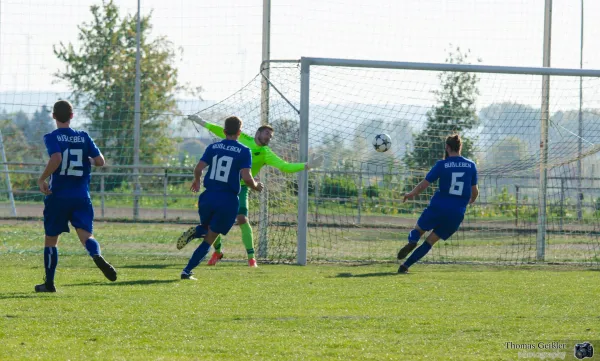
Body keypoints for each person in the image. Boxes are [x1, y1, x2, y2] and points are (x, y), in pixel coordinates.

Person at [178, 114, 323, 267]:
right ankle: (217, 251)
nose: (269, 138)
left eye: (271, 136)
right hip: (224, 185)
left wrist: (307, 165)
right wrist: (201, 121)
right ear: (258, 133)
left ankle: (251, 257)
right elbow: (221, 131)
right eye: (267, 133)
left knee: (242, 219)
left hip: (242, 188)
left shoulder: (266, 153)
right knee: (214, 221)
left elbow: (285, 166)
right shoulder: (243, 139)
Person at [35, 100, 117, 292]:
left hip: (59, 196)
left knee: (51, 239)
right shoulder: (84, 136)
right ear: (72, 116)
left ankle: (49, 283)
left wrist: (42, 179)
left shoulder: (52, 136)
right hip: (81, 196)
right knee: (86, 235)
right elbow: (100, 161)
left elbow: (56, 158)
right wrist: (86, 159)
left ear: (53, 116)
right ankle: (96, 255)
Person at [180, 116, 264, 280]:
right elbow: (247, 178)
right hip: (227, 199)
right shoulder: (244, 150)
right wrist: (256, 186)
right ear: (239, 132)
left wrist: (197, 182)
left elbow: (198, 168)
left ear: (224, 131)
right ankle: (186, 271)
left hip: (207, 196)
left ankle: (198, 230)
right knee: (211, 237)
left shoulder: (213, 147)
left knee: (207, 228)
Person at [396, 134, 479, 273]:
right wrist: (472, 200)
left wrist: (411, 194)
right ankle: (405, 266)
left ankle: (412, 241)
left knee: (417, 230)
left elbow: (424, 184)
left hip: (438, 207)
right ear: (460, 147)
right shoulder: (471, 165)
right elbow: (474, 191)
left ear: (447, 147)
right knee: (430, 242)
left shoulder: (442, 164)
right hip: (456, 213)